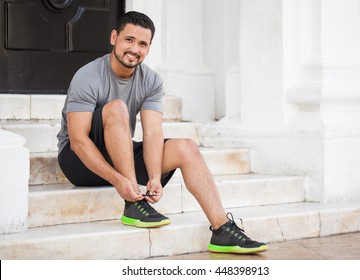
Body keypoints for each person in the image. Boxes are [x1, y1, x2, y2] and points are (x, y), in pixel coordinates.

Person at [57, 10, 267, 254]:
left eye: (142, 44)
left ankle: (222, 230)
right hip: (79, 164)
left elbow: (153, 133)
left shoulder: (152, 81)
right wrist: (120, 180)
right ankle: (134, 204)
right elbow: (78, 141)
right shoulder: (88, 76)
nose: (135, 49)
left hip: (119, 156)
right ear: (114, 37)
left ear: (149, 48)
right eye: (129, 40)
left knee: (186, 147)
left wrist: (155, 176)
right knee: (116, 108)